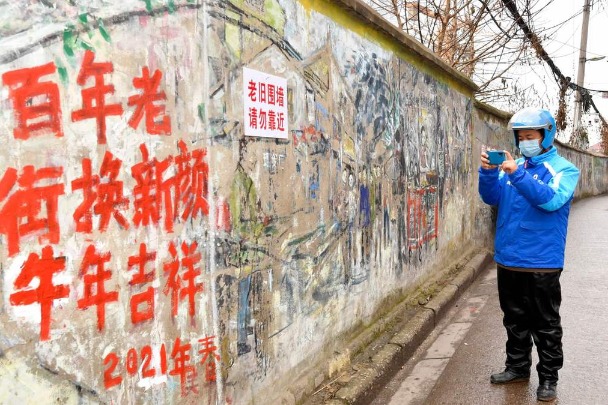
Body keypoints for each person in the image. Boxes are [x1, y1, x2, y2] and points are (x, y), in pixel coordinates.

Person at [478, 108, 580, 402]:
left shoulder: (564, 170)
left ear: (546, 136)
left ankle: (548, 378)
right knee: (514, 319)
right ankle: (517, 367)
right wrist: (487, 172)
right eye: (520, 137)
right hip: (509, 258)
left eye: (530, 136)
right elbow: (492, 197)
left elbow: (549, 201)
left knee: (545, 324)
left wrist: (518, 173)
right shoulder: (512, 167)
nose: (524, 142)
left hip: (542, 262)